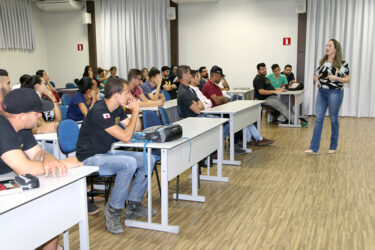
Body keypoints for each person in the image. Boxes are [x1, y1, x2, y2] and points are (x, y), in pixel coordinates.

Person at [0, 88, 82, 250]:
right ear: (21, 116)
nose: (40, 115)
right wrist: (64, 163)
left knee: (51, 214)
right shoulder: (2, 128)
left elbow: (37, 153)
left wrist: (50, 158)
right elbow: (24, 167)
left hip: (7, 179)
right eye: (36, 112)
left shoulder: (22, 127)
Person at [76, 77, 157, 234]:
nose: (129, 96)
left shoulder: (117, 108)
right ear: (116, 94)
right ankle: (113, 210)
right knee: (128, 163)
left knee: (148, 159)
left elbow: (137, 129)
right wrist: (135, 111)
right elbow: (126, 137)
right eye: (126, 93)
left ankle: (133, 205)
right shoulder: (100, 111)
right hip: (90, 158)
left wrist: (135, 112)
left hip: (105, 153)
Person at [305, 39, 350, 154]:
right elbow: (321, 75)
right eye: (326, 45)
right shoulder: (323, 62)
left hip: (335, 92)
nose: (327, 47)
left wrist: (337, 78)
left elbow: (347, 79)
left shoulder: (342, 63)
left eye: (329, 45)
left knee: (333, 119)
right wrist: (317, 78)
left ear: (335, 48)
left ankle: (333, 146)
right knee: (319, 118)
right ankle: (313, 148)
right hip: (321, 92)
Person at [253, 63, 308, 127]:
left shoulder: (265, 78)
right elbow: (261, 92)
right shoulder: (258, 79)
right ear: (258, 70)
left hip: (272, 96)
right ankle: (297, 121)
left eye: (265, 69)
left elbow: (271, 88)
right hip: (264, 99)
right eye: (262, 69)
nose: (264, 70)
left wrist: (279, 89)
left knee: (288, 99)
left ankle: (290, 118)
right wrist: (274, 91)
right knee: (281, 105)